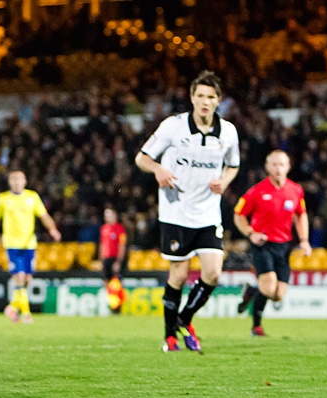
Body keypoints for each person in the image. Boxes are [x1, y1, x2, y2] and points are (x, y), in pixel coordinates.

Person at [134, 70, 240, 352]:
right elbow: (141, 158)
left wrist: (224, 182)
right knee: (179, 276)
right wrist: (158, 169)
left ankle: (184, 319)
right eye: (200, 96)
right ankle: (170, 335)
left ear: (219, 100)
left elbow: (234, 164)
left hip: (208, 213)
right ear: (192, 98)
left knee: (213, 273)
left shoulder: (228, 132)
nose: (205, 101)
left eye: (211, 97)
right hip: (176, 212)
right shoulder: (174, 126)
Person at [233, 150, 311, 336]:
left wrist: (304, 241)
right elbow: (239, 214)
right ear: (267, 167)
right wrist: (250, 233)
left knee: (278, 295)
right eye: (274, 164)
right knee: (268, 288)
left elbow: (301, 215)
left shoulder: (295, 190)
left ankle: (251, 291)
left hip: (284, 245)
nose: (278, 168)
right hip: (263, 243)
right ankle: (256, 326)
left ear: (288, 167)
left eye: (281, 164)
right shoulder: (257, 191)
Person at [0, 169, 61, 324]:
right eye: (14, 179)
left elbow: (43, 215)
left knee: (27, 279)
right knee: (19, 277)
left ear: (25, 181)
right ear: (10, 182)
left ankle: (12, 307)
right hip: (12, 244)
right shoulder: (2, 199)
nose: (17, 182)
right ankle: (26, 313)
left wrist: (53, 229)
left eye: (20, 179)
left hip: (29, 244)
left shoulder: (32, 197)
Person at [99, 207, 127, 313]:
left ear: (115, 215)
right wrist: (101, 259)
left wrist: (118, 262)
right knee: (107, 281)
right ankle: (112, 304)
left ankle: (118, 307)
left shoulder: (120, 229)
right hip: (106, 258)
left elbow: (122, 245)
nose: (107, 217)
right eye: (106, 215)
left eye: (109, 214)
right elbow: (102, 245)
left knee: (117, 283)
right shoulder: (104, 228)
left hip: (115, 258)